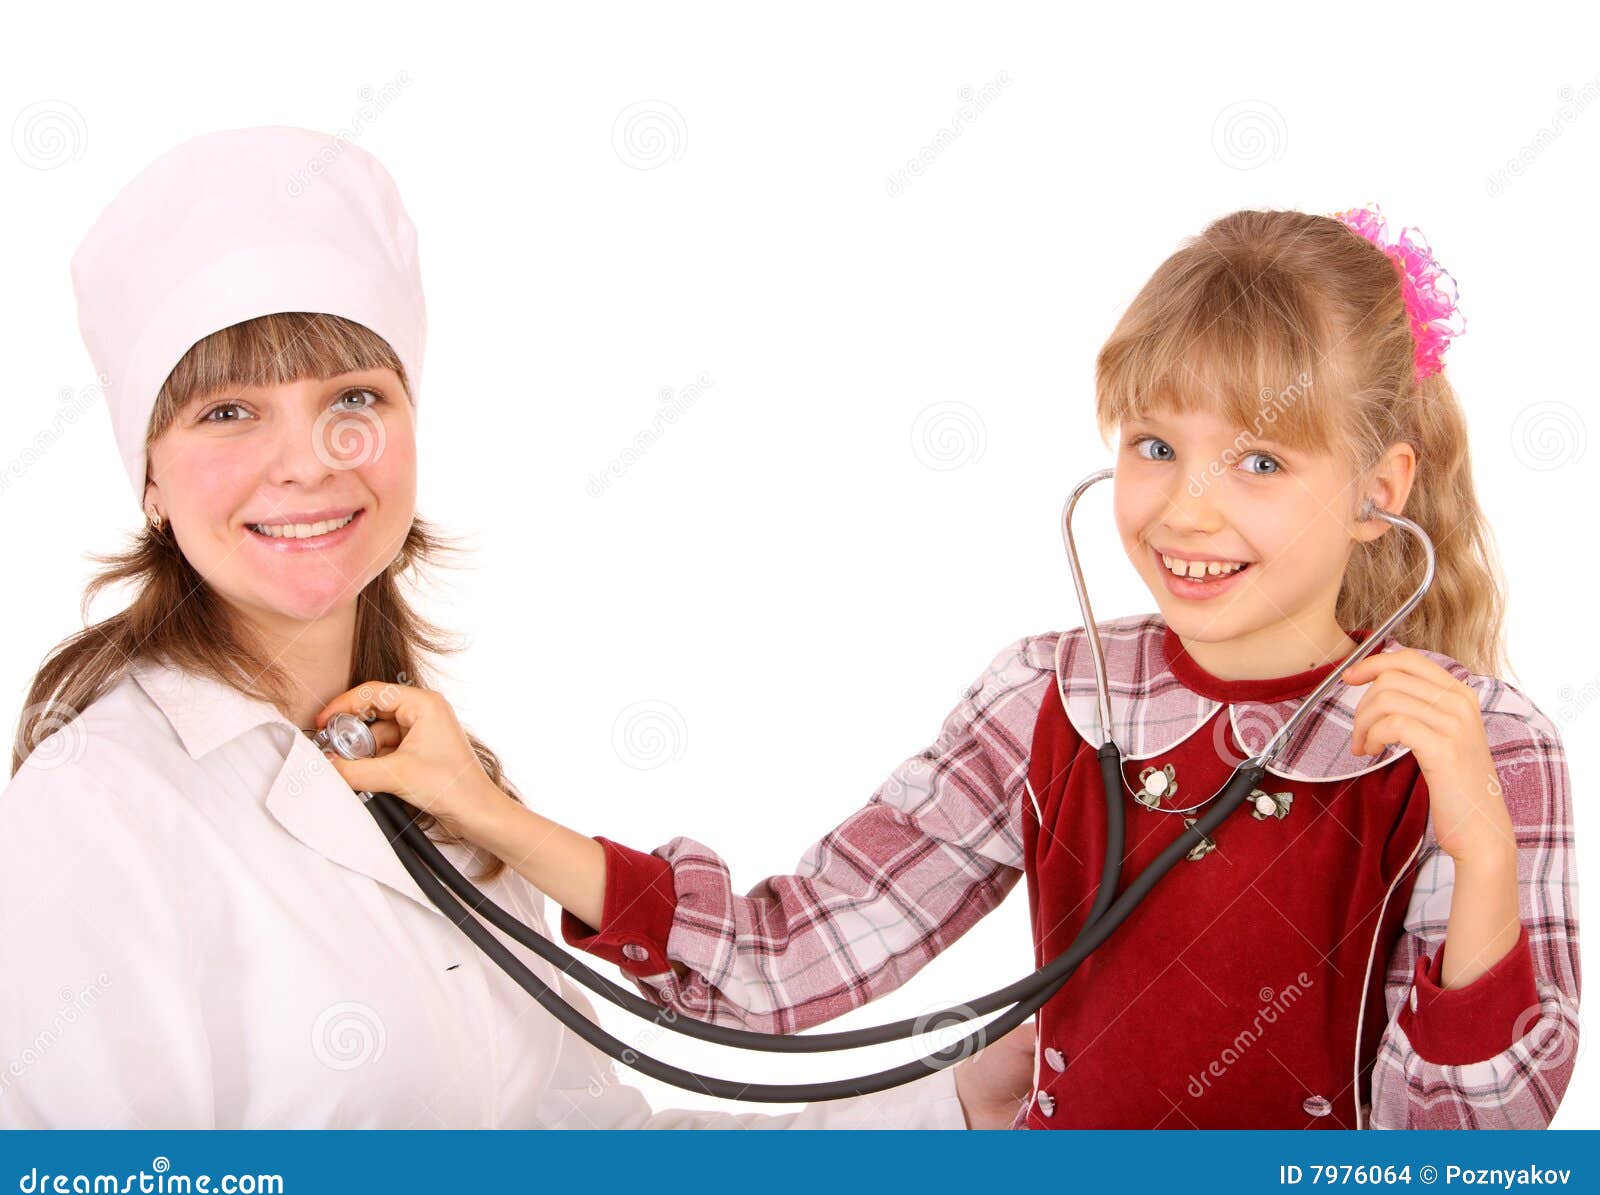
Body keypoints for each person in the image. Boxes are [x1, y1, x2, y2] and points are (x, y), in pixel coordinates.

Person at [331, 207, 1580, 1129]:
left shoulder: (1477, 745)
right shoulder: (1048, 695)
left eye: (1260, 461)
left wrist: (1473, 840)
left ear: (1379, 491)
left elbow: (1467, 1156)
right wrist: (489, 812)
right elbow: (782, 963)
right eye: (1154, 445)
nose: (1185, 512)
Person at [0, 125, 1034, 1129]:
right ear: (146, 473)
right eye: (228, 411)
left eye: (353, 395)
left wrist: (949, 1113)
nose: (309, 459)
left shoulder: (448, 797)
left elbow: (591, 1165)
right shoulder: (93, 814)